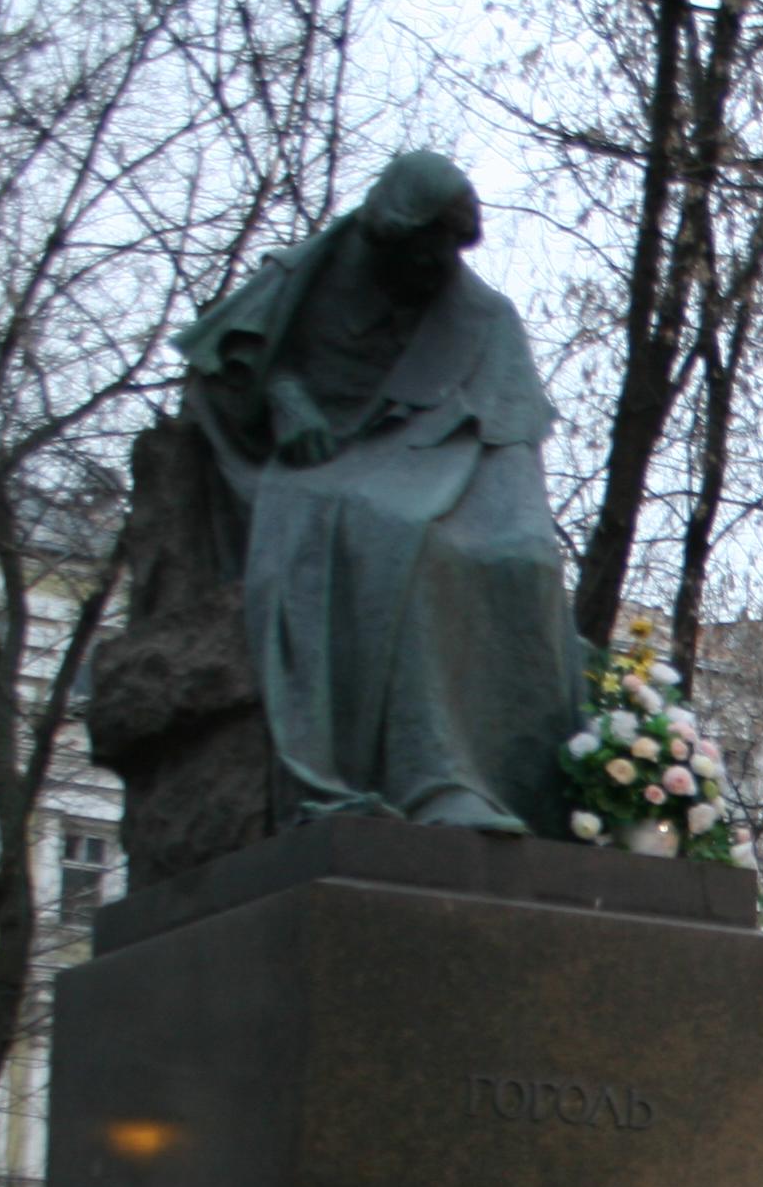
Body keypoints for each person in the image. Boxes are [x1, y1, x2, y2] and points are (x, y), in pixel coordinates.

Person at [173, 150, 584, 835]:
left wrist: (523, 533)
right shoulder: (307, 275)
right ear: (385, 233)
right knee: (393, 537)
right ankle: (432, 780)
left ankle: (536, 796)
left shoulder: (481, 316)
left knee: (525, 561)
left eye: (451, 250)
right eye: (427, 248)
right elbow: (226, 366)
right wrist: (282, 396)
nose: (438, 267)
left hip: (437, 466)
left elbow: (512, 446)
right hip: (317, 470)